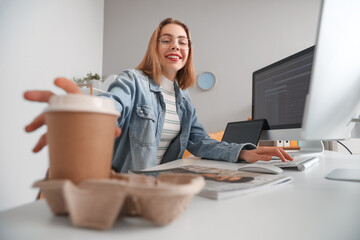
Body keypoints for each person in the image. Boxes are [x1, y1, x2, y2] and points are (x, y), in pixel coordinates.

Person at [24, 18, 292, 173]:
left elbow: (200, 143)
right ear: (155, 47)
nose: (175, 44)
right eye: (166, 39)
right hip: (123, 188)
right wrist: (86, 113)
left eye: (182, 41)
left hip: (159, 191)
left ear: (188, 52)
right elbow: (111, 107)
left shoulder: (185, 100)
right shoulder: (132, 81)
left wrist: (245, 153)